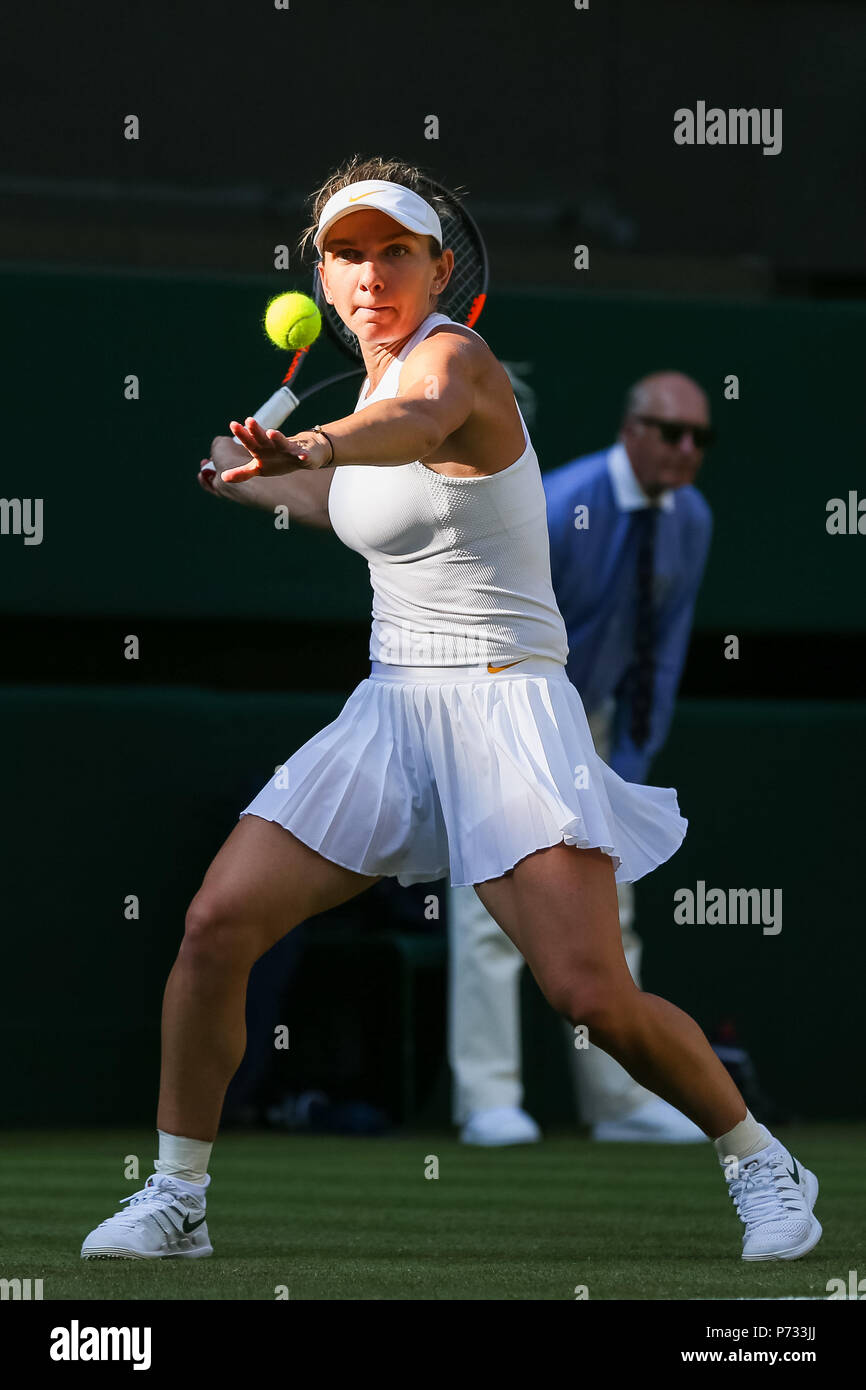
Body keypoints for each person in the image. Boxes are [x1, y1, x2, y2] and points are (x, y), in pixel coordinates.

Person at [80, 156, 821, 1264]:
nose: (370, 273)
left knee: (590, 995)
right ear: (319, 277)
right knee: (213, 923)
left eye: (394, 252)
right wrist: (253, 478)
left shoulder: (453, 364)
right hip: (391, 708)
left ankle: (761, 1161)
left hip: (504, 700)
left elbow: (411, 426)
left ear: (436, 268)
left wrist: (314, 442)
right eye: (347, 253)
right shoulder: (371, 399)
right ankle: (178, 1193)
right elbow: (354, 506)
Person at [450, 373, 714, 1147]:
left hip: (589, 723)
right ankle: (486, 1099)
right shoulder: (565, 504)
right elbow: (491, 618)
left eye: (701, 439)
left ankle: (621, 1101)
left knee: (613, 903)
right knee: (489, 907)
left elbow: (662, 653)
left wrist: (626, 759)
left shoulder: (690, 519)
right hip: (500, 708)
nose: (687, 451)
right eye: (672, 433)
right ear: (632, 429)